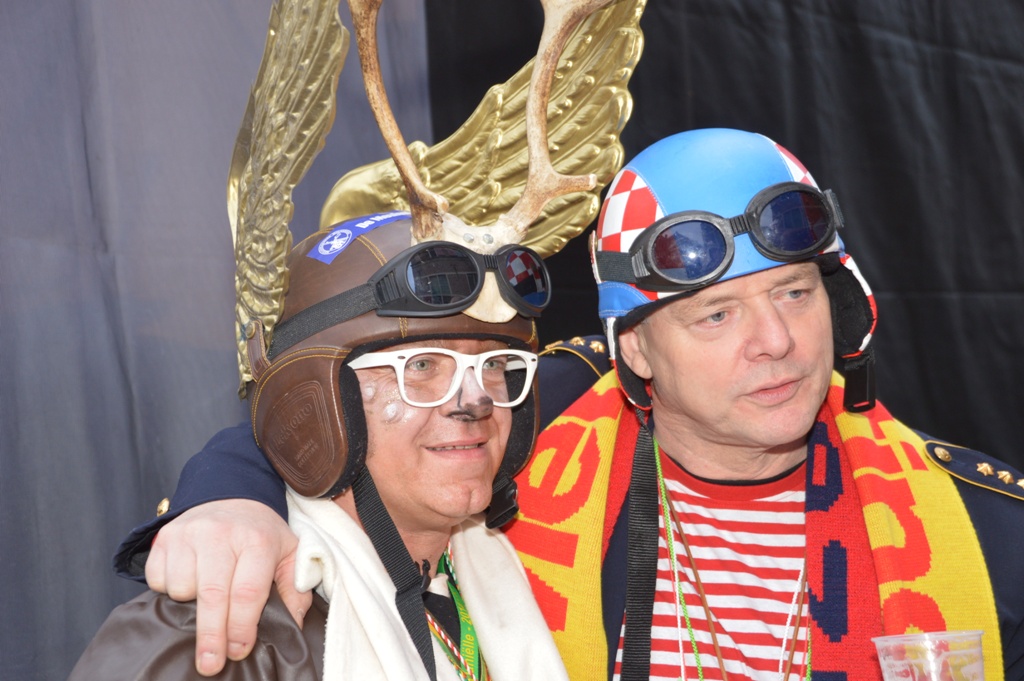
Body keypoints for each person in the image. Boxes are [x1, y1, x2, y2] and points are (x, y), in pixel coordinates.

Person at [113, 129, 1024, 680]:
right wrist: (227, 497)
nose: (776, 342)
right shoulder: (530, 438)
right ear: (635, 348)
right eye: (715, 314)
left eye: (794, 293)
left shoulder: (982, 527)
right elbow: (351, 419)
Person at [71, 213, 572, 680]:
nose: (476, 401)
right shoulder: (226, 634)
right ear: (315, 404)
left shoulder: (510, 573)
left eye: (494, 365)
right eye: (421, 366)